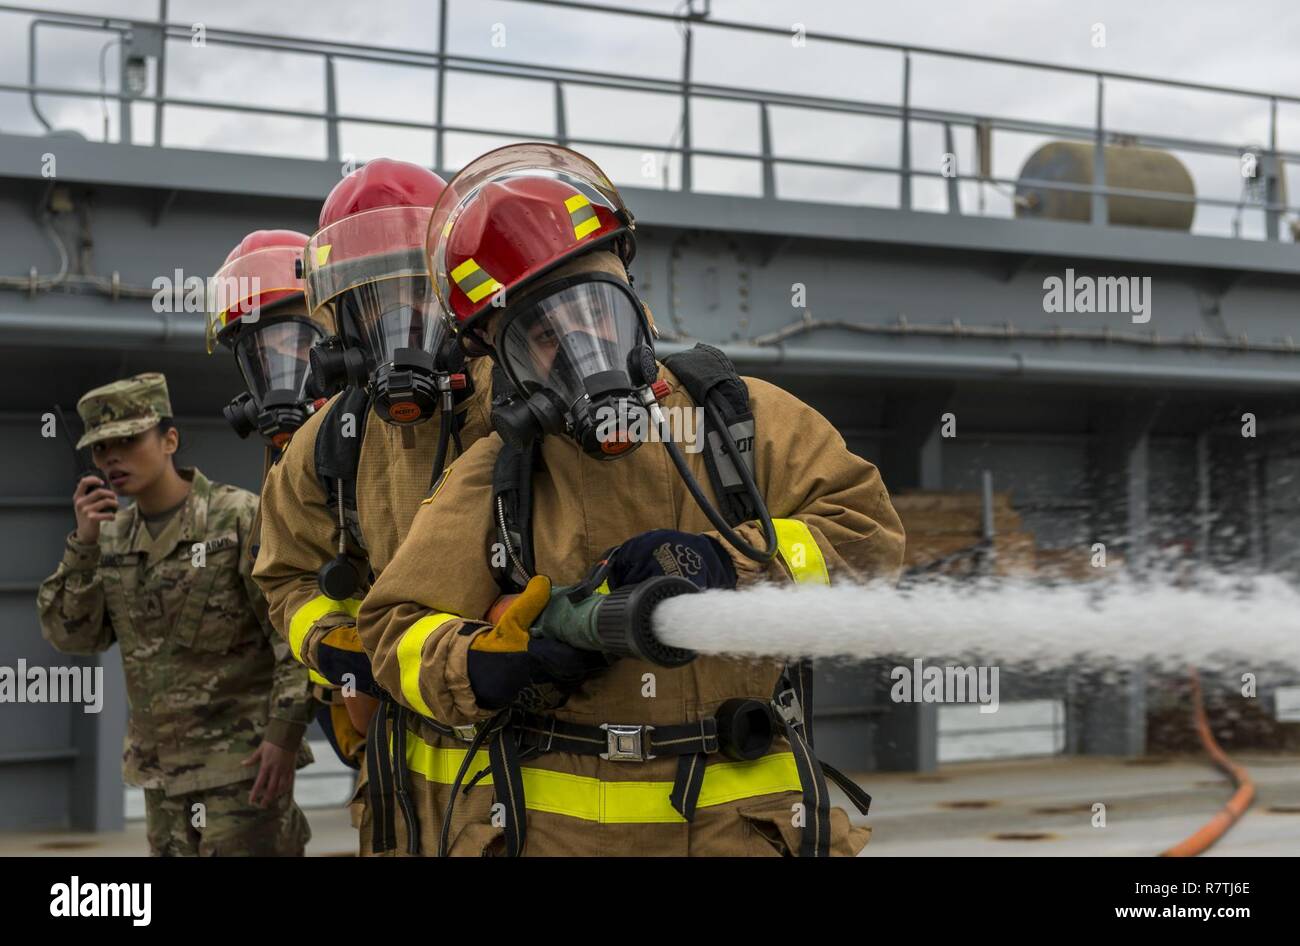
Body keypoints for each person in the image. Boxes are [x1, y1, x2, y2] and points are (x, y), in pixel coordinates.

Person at [355, 143, 907, 856]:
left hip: (738, 835)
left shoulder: (743, 425)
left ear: (630, 291)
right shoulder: (501, 469)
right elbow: (393, 628)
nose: (578, 341)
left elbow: (873, 546)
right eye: (540, 334)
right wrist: (485, 665)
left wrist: (726, 562)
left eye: (595, 305)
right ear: (502, 357)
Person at [252, 158, 494, 855]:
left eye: (411, 292)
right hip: (399, 790)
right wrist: (331, 643)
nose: (396, 320)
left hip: (531, 774)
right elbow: (285, 574)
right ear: (341, 320)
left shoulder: (524, 405)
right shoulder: (328, 444)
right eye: (370, 299)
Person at [36, 372, 314, 856]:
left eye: (127, 441)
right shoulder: (112, 538)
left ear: (169, 439)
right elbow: (72, 636)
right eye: (101, 449)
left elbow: (289, 631)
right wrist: (82, 545)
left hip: (242, 768)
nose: (112, 458)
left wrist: (284, 735)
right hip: (159, 776)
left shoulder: (238, 518)